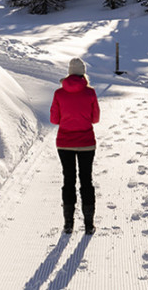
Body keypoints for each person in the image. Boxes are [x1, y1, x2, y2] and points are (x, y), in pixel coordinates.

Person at [50, 57, 100, 235]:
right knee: (86, 180)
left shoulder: (59, 93)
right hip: (87, 143)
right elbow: (95, 119)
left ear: (69, 73)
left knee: (68, 180)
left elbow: (54, 119)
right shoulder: (90, 93)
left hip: (64, 144)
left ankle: (68, 224)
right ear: (83, 73)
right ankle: (88, 224)